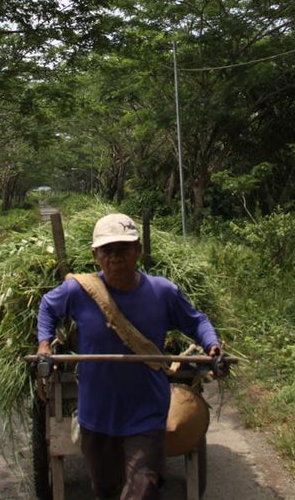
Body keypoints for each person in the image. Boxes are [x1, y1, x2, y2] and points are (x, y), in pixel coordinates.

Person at [36, 212, 222, 500]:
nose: (115, 257)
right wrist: (44, 345)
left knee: (143, 487)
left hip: (146, 414)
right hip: (96, 417)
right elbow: (47, 307)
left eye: (123, 249)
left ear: (138, 251)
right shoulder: (79, 291)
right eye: (107, 251)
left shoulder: (163, 292)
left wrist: (212, 345)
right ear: (95, 255)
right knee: (105, 490)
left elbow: (196, 321)